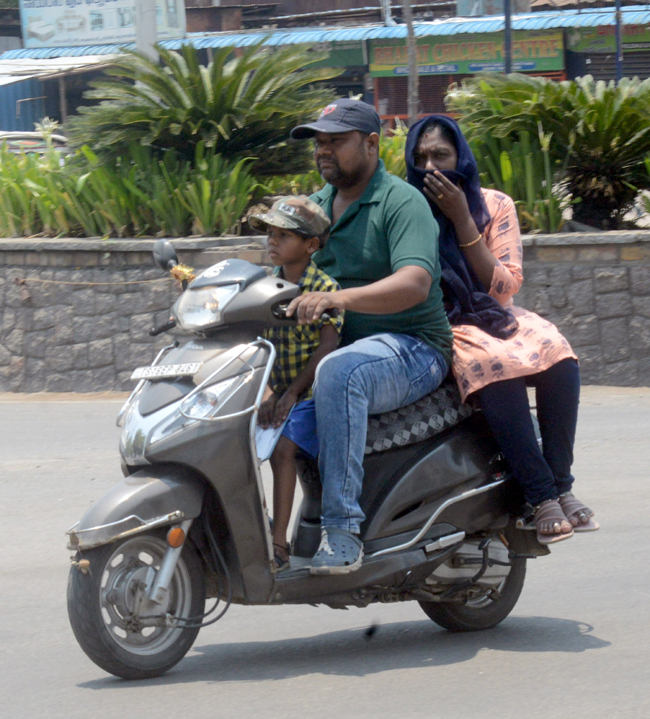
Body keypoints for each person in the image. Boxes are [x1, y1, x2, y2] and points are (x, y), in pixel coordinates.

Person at [405, 114, 599, 545]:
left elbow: (505, 285)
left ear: (461, 156)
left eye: (442, 155)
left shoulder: (495, 204)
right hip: (442, 319)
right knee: (494, 365)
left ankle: (562, 485)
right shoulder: (406, 206)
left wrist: (463, 221)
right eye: (421, 158)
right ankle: (541, 497)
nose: (432, 168)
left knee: (560, 355)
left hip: (495, 312)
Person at [287, 99, 453, 575]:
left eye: (335, 141)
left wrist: (340, 300)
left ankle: (342, 533)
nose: (323, 151)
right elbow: (281, 278)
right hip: (346, 345)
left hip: (413, 347)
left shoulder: (401, 201)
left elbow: (414, 283)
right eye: (319, 142)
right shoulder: (313, 208)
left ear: (372, 144)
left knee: (339, 371)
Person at [249, 196, 344, 571]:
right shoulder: (261, 287)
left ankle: (279, 545)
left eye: (283, 235)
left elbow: (328, 346)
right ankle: (253, 526)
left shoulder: (324, 288)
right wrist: (269, 392)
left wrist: (290, 394)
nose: (272, 241)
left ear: (311, 245)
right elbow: (253, 341)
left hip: (309, 397)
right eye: (270, 234)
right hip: (272, 392)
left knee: (282, 450)